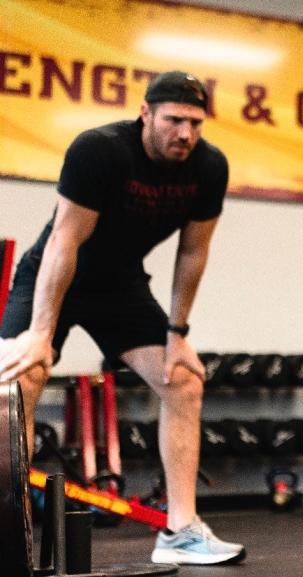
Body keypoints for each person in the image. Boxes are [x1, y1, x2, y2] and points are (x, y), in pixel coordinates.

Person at [0, 71, 246, 566]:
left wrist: (178, 334)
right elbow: (64, 242)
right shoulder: (100, 150)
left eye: (196, 123)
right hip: (56, 275)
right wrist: (41, 334)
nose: (186, 133)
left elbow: (193, 253)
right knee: (18, 380)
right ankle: (11, 532)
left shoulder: (208, 167)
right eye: (175, 120)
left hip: (120, 285)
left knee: (183, 381)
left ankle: (181, 530)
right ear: (146, 113)